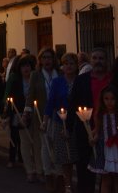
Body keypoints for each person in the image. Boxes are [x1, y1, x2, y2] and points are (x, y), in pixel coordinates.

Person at [69, 47, 111, 193]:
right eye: (95, 58)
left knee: (107, 169)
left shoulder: (112, 80)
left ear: (106, 60)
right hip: (85, 127)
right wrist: (68, 128)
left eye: (101, 58)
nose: (98, 61)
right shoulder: (81, 80)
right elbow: (72, 103)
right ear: (90, 60)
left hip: (108, 128)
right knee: (84, 167)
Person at [43, 52, 80, 193]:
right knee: (65, 157)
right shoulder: (57, 81)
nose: (69, 66)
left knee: (77, 155)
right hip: (61, 122)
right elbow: (51, 102)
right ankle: (68, 184)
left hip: (78, 122)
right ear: (62, 66)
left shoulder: (80, 80)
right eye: (66, 64)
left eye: (71, 63)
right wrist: (45, 120)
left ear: (76, 65)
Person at [24, 47, 59, 193]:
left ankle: (58, 173)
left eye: (49, 57)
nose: (47, 60)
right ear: (40, 60)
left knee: (57, 145)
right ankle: (47, 173)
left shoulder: (59, 74)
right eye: (44, 58)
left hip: (58, 115)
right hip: (42, 114)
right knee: (44, 145)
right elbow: (31, 94)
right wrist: (27, 111)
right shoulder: (36, 75)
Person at [5, 55, 42, 182]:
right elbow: (11, 99)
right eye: (23, 66)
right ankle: (29, 170)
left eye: (28, 66)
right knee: (25, 143)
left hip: (36, 114)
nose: (26, 68)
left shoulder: (37, 79)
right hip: (20, 114)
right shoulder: (16, 81)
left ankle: (39, 169)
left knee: (37, 143)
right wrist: (8, 116)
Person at [87, 85, 118, 193]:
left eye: (113, 99)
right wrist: (93, 138)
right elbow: (97, 131)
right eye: (106, 99)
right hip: (105, 149)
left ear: (117, 99)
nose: (109, 102)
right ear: (102, 99)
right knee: (106, 179)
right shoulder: (100, 114)